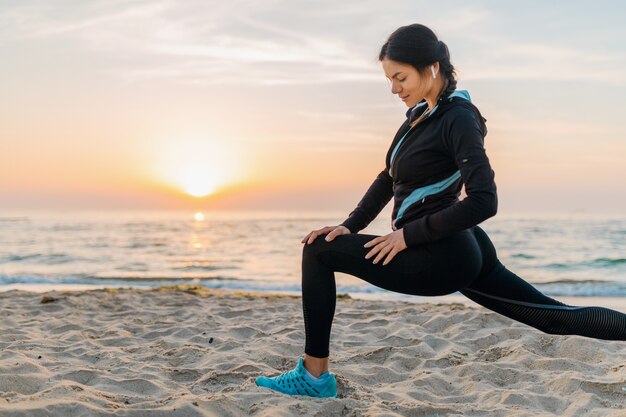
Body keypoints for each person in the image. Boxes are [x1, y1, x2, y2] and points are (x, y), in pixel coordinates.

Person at [255, 23, 626, 398]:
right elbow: (388, 178)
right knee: (550, 317)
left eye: (400, 77)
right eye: (389, 79)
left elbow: (484, 199)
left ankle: (314, 377)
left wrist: (407, 236)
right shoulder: (419, 115)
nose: (394, 88)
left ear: (431, 67)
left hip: (440, 253)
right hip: (459, 246)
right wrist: (350, 225)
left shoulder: (458, 117)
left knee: (317, 252)